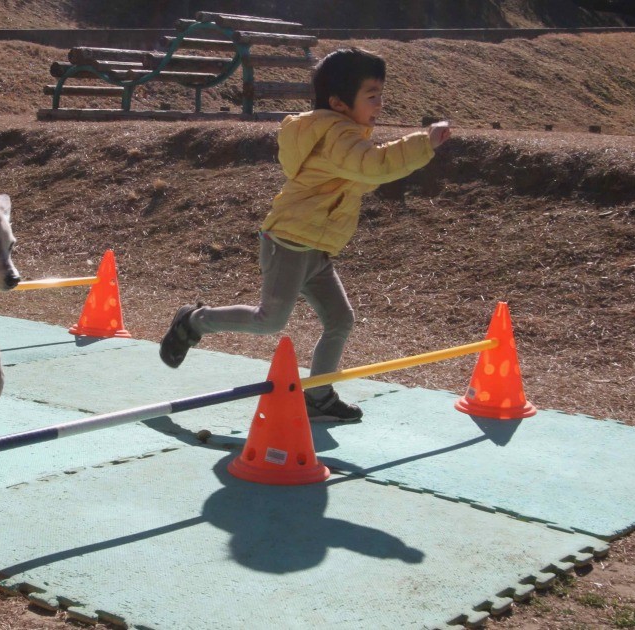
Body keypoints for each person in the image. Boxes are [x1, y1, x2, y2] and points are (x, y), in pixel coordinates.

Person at [159, 47, 452, 422]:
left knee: (340, 319)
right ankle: (194, 321)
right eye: (372, 95)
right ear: (338, 102)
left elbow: (358, 178)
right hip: (290, 243)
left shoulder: (344, 134)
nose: (380, 104)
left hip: (315, 247)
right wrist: (423, 142)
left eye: (381, 94)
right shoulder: (336, 136)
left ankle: (317, 395)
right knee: (270, 320)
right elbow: (374, 167)